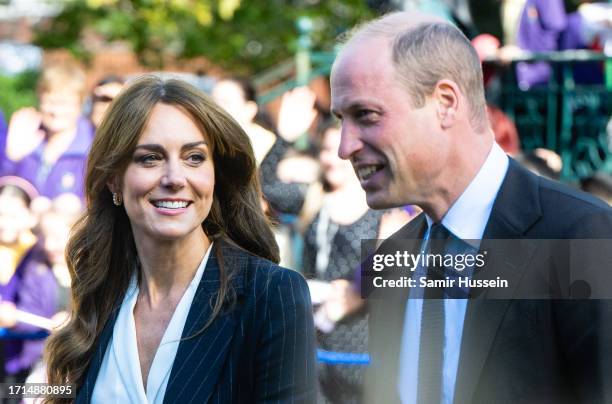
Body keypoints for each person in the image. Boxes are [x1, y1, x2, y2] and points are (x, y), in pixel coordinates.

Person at [330, 11, 612, 404]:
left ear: (445, 103)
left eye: (365, 115)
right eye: (341, 120)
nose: (345, 147)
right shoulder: (391, 258)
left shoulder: (581, 234)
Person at [44, 75, 317, 403]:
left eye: (194, 158)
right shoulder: (100, 292)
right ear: (114, 180)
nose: (174, 178)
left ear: (216, 175)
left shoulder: (270, 295)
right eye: (150, 158)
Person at [2, 62, 95, 198]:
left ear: (80, 104)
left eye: (64, 103)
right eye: (50, 102)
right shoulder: (24, 136)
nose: (56, 111)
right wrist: (11, 158)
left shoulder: (92, 148)